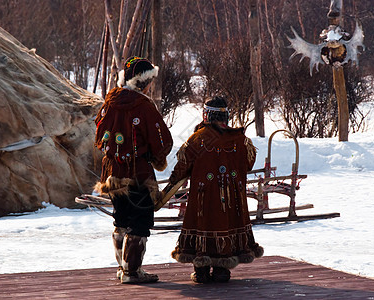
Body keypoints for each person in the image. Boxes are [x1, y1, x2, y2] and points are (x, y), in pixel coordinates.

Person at [167, 96, 263, 283]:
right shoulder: (241, 139)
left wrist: (172, 181)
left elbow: (182, 166)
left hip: (204, 198)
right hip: (231, 199)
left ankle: (201, 272)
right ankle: (222, 271)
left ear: (206, 115)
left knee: (203, 225)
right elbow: (249, 164)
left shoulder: (197, 139)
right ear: (225, 116)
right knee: (226, 224)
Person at [93, 56, 173, 284]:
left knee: (121, 219)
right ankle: (132, 272)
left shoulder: (110, 101)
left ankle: (123, 268)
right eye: (150, 81)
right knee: (140, 221)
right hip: (138, 174)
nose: (151, 86)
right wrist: (157, 158)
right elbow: (162, 140)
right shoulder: (144, 106)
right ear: (143, 82)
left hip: (112, 174)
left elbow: (99, 135)